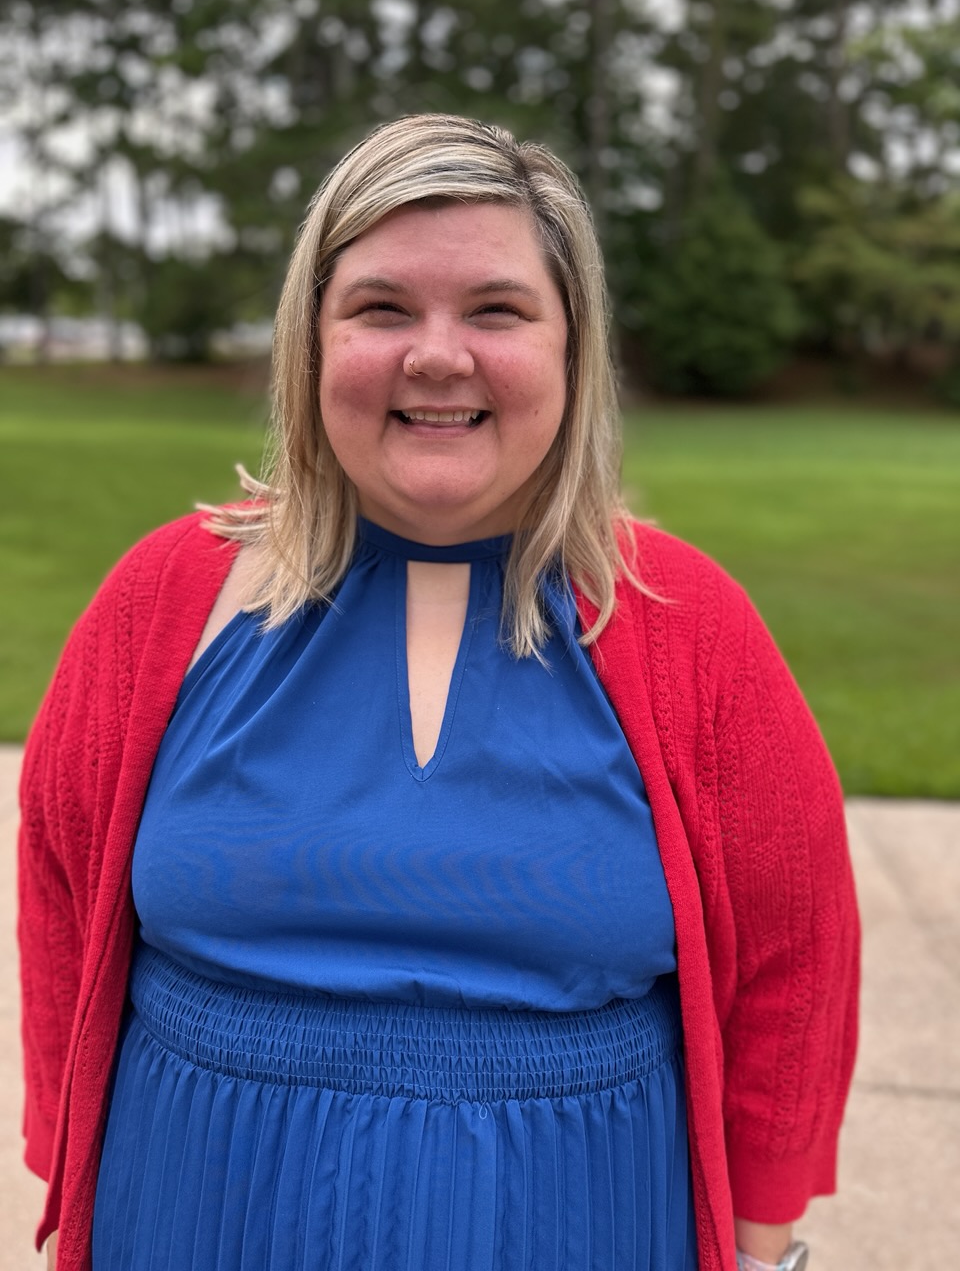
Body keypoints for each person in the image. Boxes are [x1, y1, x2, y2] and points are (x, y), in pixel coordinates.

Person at [18, 113, 859, 1271]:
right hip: (195, 1213)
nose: (437, 354)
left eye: (497, 311)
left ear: (572, 347)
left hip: (583, 1220)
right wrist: (68, 1158)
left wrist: (759, 1242)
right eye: (381, 308)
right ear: (311, 343)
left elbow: (794, 956)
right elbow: (63, 886)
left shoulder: (685, 622)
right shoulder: (167, 596)